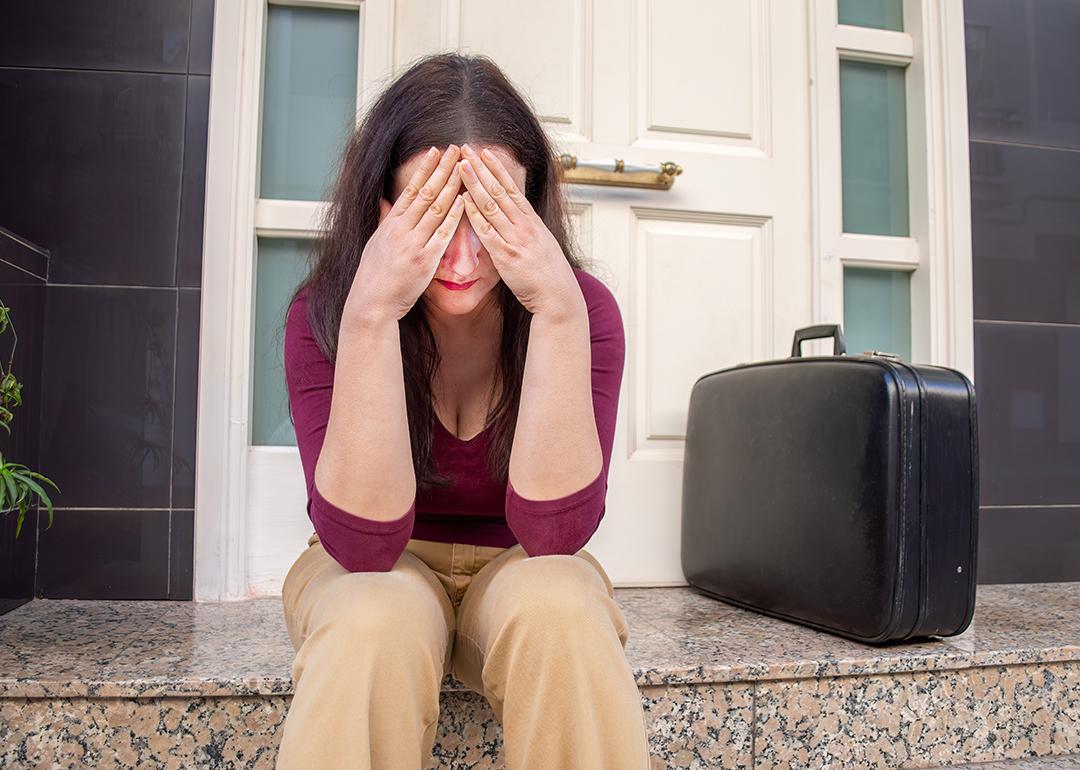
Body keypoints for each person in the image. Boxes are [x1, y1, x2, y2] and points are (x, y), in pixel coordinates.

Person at [276, 51, 649, 769]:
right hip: (373, 567)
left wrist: (559, 316)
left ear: (534, 209)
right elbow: (363, 549)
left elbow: (554, 534)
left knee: (563, 607)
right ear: (381, 206)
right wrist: (371, 317)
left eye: (494, 210)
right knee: (368, 618)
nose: (464, 253)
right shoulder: (326, 314)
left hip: (519, 563)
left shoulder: (582, 312)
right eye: (433, 210)